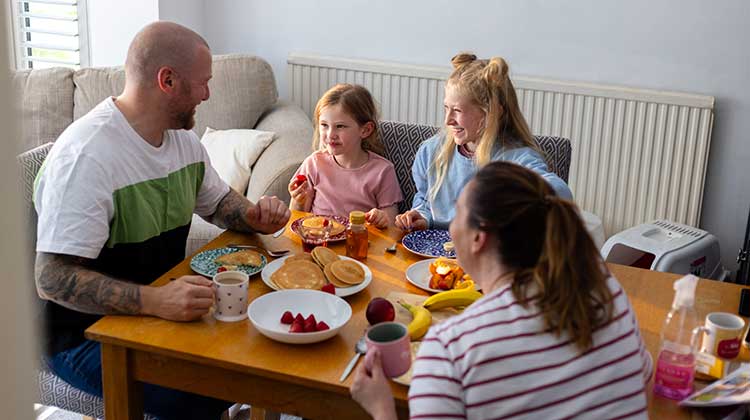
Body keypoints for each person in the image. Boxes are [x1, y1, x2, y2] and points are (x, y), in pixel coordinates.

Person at [33, 21, 290, 419]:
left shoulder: (181, 139)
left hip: (156, 309)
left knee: (261, 349)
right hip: (78, 335)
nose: (208, 94)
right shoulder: (86, 157)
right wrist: (155, 300)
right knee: (205, 391)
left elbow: (219, 203)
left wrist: (255, 216)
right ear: (167, 80)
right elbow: (51, 278)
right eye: (202, 83)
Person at [352, 161, 652, 419]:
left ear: (478, 238)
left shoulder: (450, 348)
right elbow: (641, 378)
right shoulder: (605, 288)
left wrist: (382, 408)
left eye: (457, 215)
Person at [395, 53, 573, 231]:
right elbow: (425, 200)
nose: (448, 120)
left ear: (492, 113)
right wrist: (421, 217)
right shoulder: (431, 151)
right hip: (434, 256)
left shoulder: (516, 159)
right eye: (446, 108)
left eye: (457, 110)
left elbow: (561, 195)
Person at [288, 83, 402, 229]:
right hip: (319, 244)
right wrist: (297, 199)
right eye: (324, 125)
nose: (330, 135)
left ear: (365, 130)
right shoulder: (314, 164)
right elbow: (296, 219)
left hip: (358, 246)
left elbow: (391, 226)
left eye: (340, 126)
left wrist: (381, 219)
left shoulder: (383, 171)